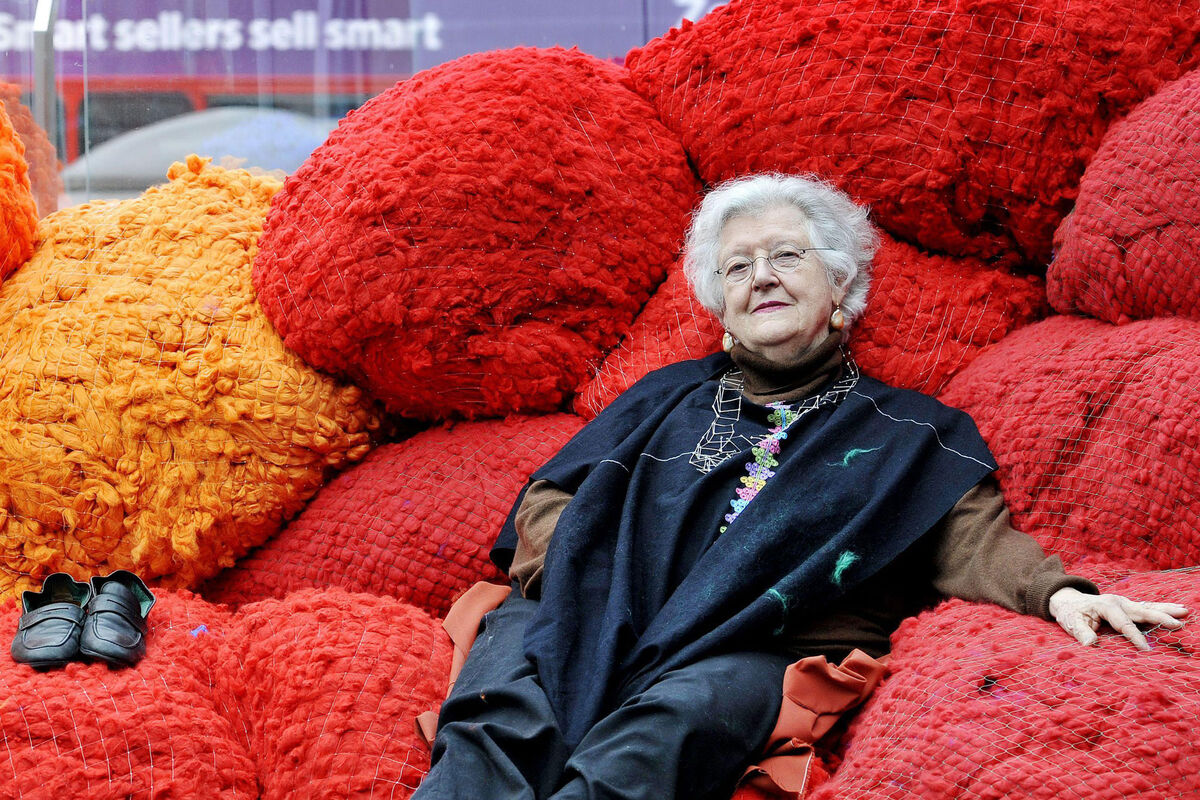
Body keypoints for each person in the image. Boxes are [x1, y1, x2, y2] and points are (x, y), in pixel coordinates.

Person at [413, 173, 1189, 800]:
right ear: (722, 310)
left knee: (662, 735)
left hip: (753, 646)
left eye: (786, 257)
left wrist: (1059, 593)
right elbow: (548, 500)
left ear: (841, 286)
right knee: (499, 717)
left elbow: (971, 539)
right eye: (738, 267)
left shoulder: (912, 432)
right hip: (582, 609)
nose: (762, 279)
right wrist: (595, 583)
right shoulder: (663, 395)